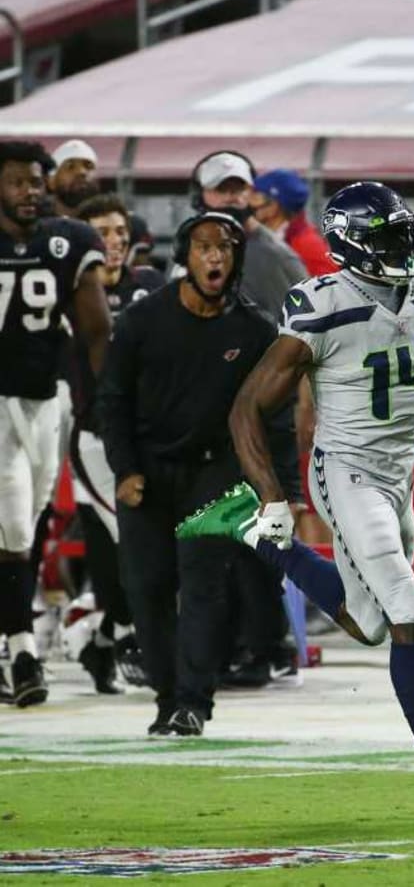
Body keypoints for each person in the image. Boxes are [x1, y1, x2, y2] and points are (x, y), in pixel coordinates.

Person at [175, 182, 414, 820]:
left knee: (369, 622)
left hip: (400, 471)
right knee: (407, 611)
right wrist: (273, 492)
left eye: (403, 231)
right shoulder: (322, 305)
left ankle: (256, 538)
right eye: (385, 237)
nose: (402, 245)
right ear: (351, 246)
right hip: (346, 473)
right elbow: (247, 406)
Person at [96, 212, 277, 735]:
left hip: (214, 472)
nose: (215, 256)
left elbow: (274, 415)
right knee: (146, 587)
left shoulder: (255, 328)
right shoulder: (141, 320)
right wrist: (124, 468)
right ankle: (166, 696)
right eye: (203, 247)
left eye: (225, 247)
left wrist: (274, 488)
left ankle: (194, 702)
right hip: (146, 473)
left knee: (204, 587)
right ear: (185, 255)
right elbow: (112, 401)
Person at [0, 141, 111, 707]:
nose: (31, 191)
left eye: (36, 181)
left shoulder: (65, 241)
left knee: (30, 521)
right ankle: (21, 649)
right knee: (16, 525)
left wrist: (107, 400)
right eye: (17, 181)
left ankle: (13, 638)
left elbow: (96, 331)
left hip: (46, 400)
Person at [191, 150, 308, 687]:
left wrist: (303, 412)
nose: (233, 196)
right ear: (202, 194)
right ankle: (238, 643)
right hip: (215, 419)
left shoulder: (271, 256)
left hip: (264, 418)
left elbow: (310, 340)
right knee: (220, 536)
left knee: (261, 537)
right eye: (223, 189)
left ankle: (267, 646)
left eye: (240, 187)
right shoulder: (194, 249)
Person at [69, 193, 165, 693]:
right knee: (135, 544)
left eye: (121, 235)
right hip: (95, 439)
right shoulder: (66, 289)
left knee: (132, 548)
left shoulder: (150, 286)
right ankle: (133, 638)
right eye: (102, 234)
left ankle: (101, 637)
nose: (113, 244)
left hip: (147, 436)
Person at [251, 169, 337, 277]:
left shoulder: (307, 245)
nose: (250, 203)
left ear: (273, 205)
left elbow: (330, 289)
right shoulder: (269, 236)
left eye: (256, 196)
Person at [48, 140, 101, 217]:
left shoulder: (113, 224)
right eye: (70, 167)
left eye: (88, 166)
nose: (82, 172)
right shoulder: (38, 225)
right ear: (51, 181)